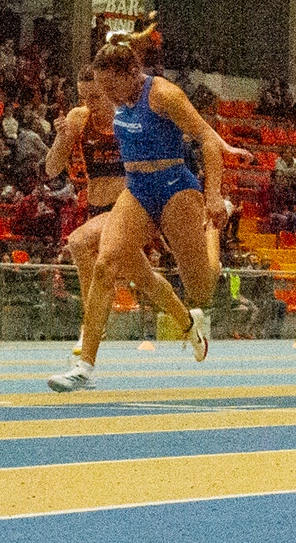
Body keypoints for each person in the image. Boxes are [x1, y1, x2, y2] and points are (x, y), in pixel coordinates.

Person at [48, 27, 241, 391]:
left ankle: (215, 226)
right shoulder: (114, 98)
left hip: (175, 187)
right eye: (101, 89)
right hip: (137, 189)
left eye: (110, 88)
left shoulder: (164, 94)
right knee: (105, 264)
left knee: (201, 288)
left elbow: (205, 138)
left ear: (130, 74)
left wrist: (213, 196)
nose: (107, 97)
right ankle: (83, 367)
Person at [42, 68, 133, 388]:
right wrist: (62, 138)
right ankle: (189, 321)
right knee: (144, 279)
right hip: (96, 211)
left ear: (110, 89)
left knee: (78, 242)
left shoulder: (129, 116)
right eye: (83, 97)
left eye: (95, 96)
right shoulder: (79, 118)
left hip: (129, 208)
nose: (88, 103)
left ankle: (89, 328)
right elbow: (51, 168)